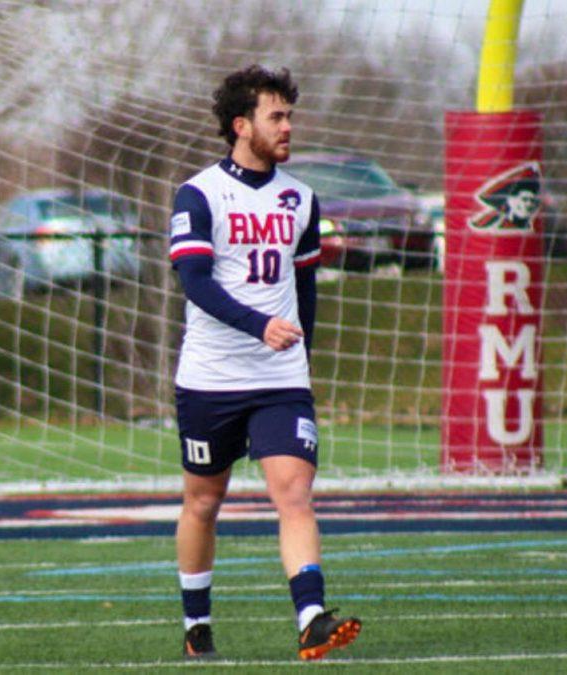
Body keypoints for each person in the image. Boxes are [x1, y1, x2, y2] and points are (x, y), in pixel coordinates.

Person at [168, 65, 360, 661]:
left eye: (290, 116)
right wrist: (259, 326)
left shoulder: (301, 198)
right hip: (211, 377)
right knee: (203, 500)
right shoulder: (198, 194)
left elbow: (306, 287)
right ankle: (196, 626)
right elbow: (194, 282)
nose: (288, 127)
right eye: (276, 116)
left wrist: (303, 352)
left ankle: (312, 619)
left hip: (279, 380)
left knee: (294, 493)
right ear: (240, 124)